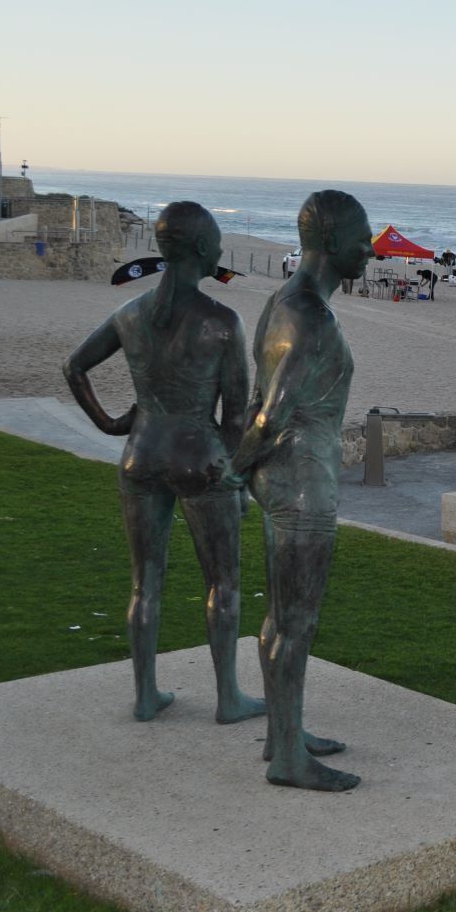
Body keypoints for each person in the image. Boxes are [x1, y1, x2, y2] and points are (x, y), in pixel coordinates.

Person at [64, 202, 264, 726]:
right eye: (217, 242)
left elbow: (75, 367)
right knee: (223, 582)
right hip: (199, 457)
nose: (221, 250)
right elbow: (236, 411)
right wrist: (236, 474)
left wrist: (110, 425)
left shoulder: (131, 313)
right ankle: (229, 697)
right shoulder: (222, 321)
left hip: (142, 452)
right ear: (200, 249)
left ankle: (146, 694)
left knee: (144, 582)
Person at [225, 189, 374, 791]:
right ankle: (289, 757)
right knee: (298, 622)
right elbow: (270, 415)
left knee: (280, 615)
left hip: (283, 478)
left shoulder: (283, 299)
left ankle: (282, 731)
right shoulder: (309, 316)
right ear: (333, 242)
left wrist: (246, 473)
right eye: (363, 237)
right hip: (303, 484)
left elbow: (258, 397)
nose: (371, 248)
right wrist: (232, 472)